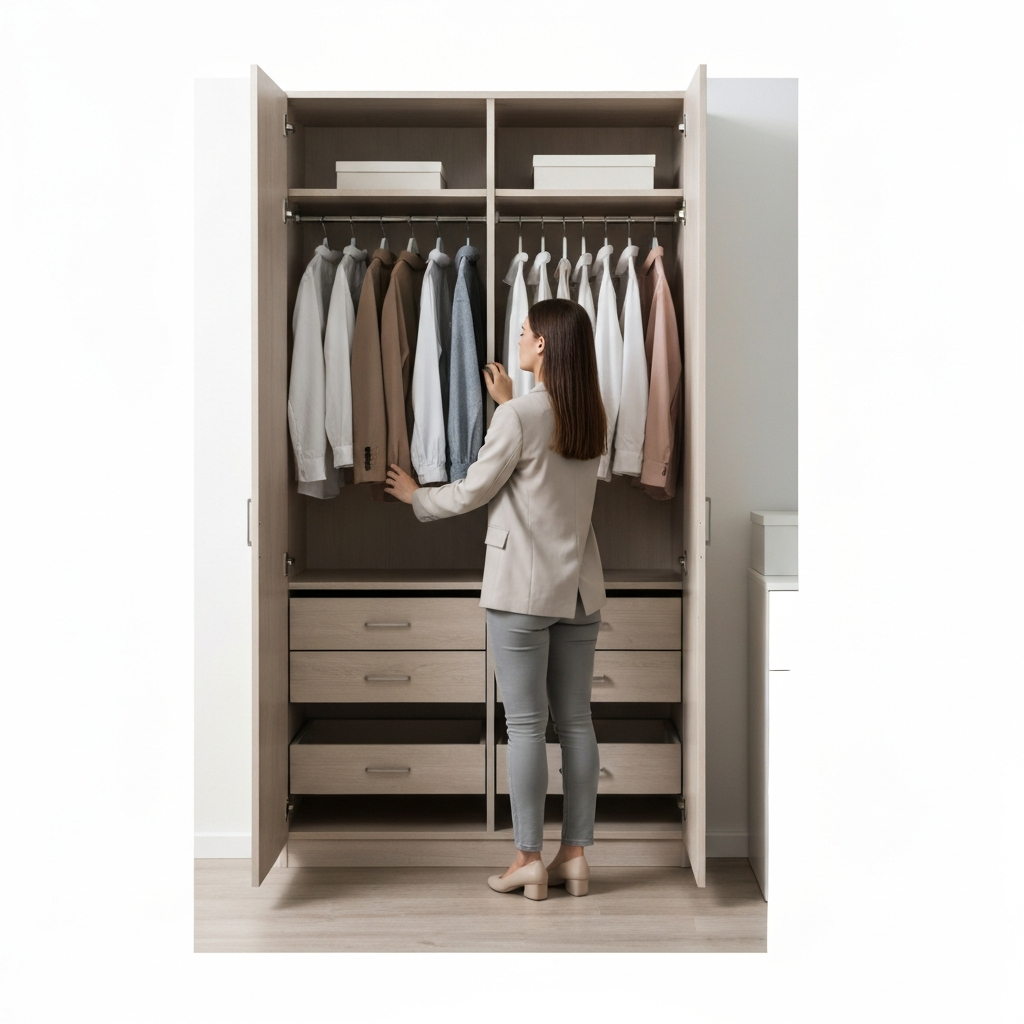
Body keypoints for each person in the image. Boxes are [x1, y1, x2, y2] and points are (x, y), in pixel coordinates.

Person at [385, 298, 607, 901]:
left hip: (523, 592)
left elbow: (473, 491)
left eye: (527, 330)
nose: (519, 334)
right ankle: (576, 858)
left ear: (544, 348)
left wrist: (416, 496)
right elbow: (545, 470)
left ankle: (527, 858)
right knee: (578, 723)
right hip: (579, 589)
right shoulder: (591, 413)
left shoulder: (519, 419)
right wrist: (511, 403)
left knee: (527, 725)